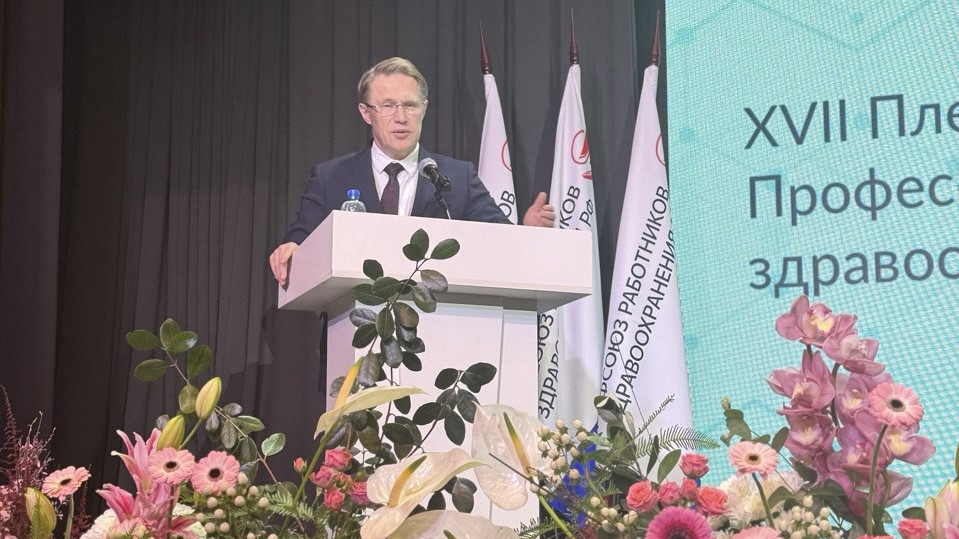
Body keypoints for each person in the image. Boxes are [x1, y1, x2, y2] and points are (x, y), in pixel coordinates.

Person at [270, 57, 554, 285]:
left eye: (410, 105)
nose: (401, 117)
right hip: (353, 323)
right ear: (366, 113)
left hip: (442, 325)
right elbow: (300, 242)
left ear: (424, 109)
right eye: (388, 106)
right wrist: (292, 251)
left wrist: (527, 233)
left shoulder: (457, 177)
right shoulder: (331, 177)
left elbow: (500, 241)